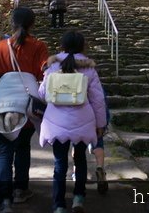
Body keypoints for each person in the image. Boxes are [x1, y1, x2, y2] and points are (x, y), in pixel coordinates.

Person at [0, 7, 49, 213]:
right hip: (28, 105)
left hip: (3, 104)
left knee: (4, 151)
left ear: (12, 22)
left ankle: (4, 201)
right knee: (23, 147)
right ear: (32, 24)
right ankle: (21, 189)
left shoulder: (1, 47)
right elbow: (44, 76)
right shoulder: (39, 46)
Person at [39, 31, 108, 213]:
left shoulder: (52, 66)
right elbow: (98, 100)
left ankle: (59, 205)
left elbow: (42, 94)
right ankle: (78, 198)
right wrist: (100, 124)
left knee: (60, 163)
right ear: (82, 46)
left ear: (62, 46)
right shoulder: (89, 68)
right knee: (80, 159)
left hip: (56, 122)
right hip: (82, 121)